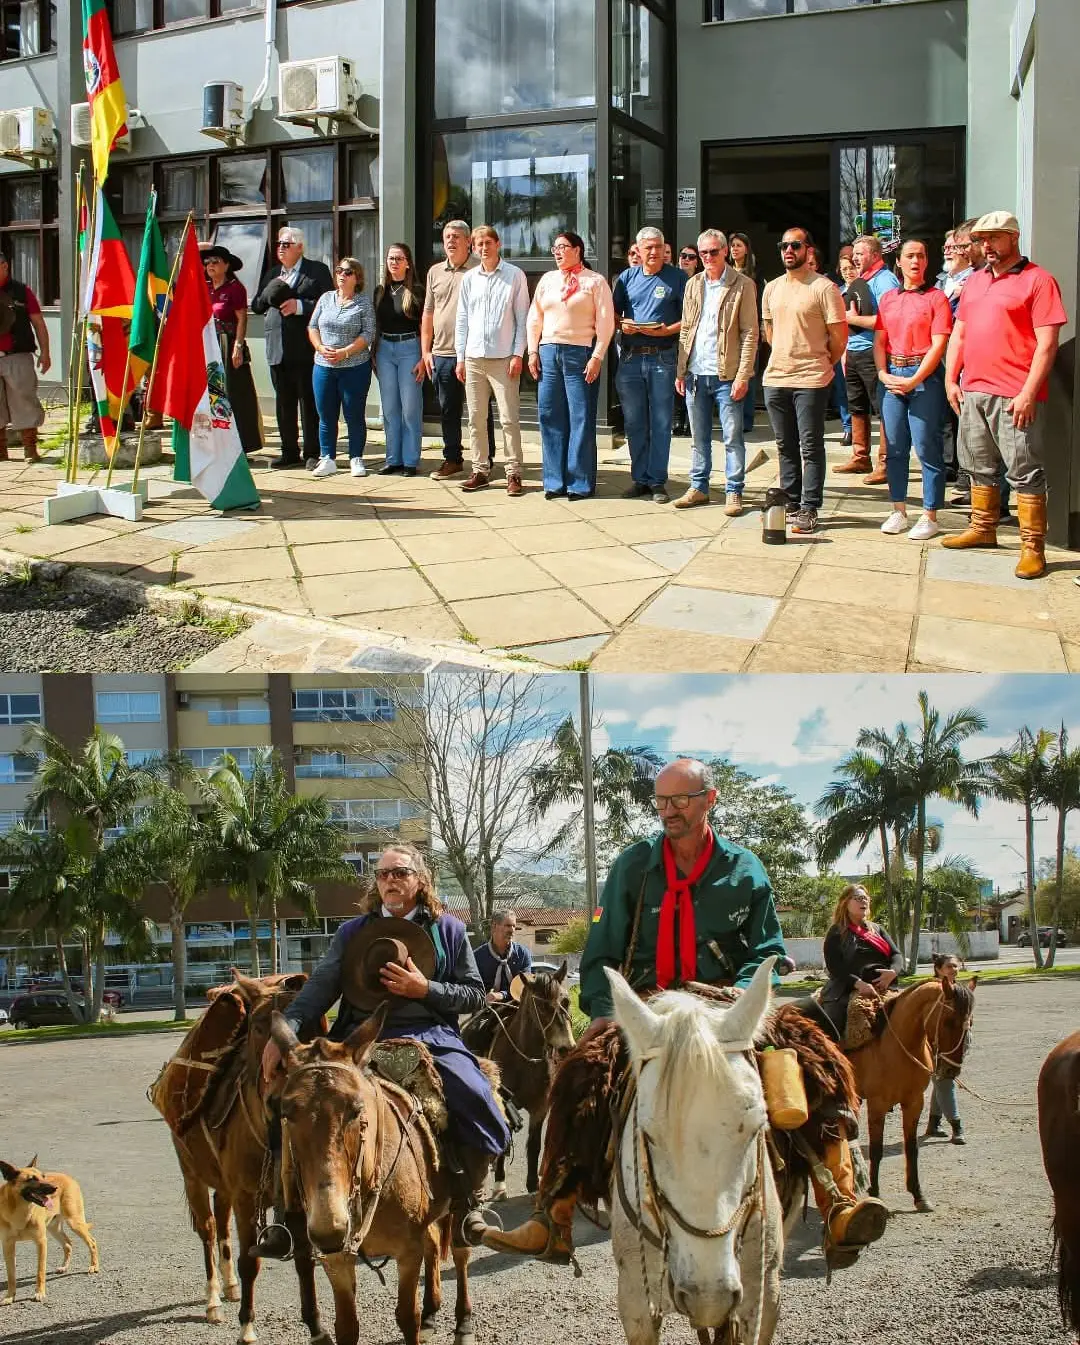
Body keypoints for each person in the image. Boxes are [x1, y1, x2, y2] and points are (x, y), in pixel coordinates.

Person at [481, 759, 888, 1272]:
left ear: (709, 800)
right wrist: (607, 1012)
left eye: (680, 800)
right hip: (651, 1006)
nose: (669, 811)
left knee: (814, 1059)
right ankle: (553, 1216)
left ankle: (840, 1202)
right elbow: (602, 952)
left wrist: (745, 998)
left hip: (725, 1002)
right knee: (578, 1075)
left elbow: (767, 947)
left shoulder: (746, 869)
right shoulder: (634, 865)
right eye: (661, 802)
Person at [259, 843, 510, 1250]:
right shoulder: (351, 932)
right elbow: (320, 987)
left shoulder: (449, 930)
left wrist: (423, 988)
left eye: (401, 872)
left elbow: (473, 995)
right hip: (356, 1038)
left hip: (429, 1034)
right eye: (383, 874)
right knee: (287, 1100)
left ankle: (467, 1203)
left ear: (421, 880)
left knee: (474, 1094)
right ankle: (284, 1216)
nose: (391, 880)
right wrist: (283, 1030)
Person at [942, 211, 1068, 579]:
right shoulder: (976, 281)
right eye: (982, 240)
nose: (987, 246)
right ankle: (983, 528)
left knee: (1025, 470)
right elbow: (959, 334)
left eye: (994, 238)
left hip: (1014, 394)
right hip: (974, 389)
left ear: (1013, 237)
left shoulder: (1039, 281)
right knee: (977, 463)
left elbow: (1047, 344)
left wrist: (1029, 391)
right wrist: (952, 379)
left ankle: (1033, 547)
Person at [761, 227, 848, 534]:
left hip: (811, 378)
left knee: (810, 447)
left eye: (794, 245)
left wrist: (820, 361)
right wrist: (786, 353)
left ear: (808, 250)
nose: (788, 250)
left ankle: (810, 507)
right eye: (783, 245)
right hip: (776, 377)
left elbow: (839, 338)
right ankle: (792, 502)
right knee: (785, 445)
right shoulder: (771, 288)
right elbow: (769, 331)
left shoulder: (824, 288)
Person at [673, 229, 758, 514]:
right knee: (698, 437)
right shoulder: (693, 284)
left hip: (727, 374)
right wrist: (680, 370)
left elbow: (749, 333)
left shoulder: (742, 284)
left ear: (724, 252)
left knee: (732, 437)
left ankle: (734, 490)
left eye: (713, 251)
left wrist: (743, 375)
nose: (708, 257)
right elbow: (686, 328)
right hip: (696, 374)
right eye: (703, 253)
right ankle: (699, 487)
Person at [874, 238, 953, 541]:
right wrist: (882, 373)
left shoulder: (936, 299)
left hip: (924, 376)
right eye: (910, 256)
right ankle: (898, 509)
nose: (916, 261)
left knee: (926, 446)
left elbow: (939, 344)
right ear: (900, 261)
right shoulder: (889, 299)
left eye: (921, 255)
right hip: (892, 374)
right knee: (894, 447)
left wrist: (915, 378)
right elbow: (880, 341)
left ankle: (930, 514)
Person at [526, 230, 615, 502]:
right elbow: (534, 318)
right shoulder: (547, 280)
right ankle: (554, 481)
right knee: (550, 415)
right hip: (549, 351)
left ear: (578, 249)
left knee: (581, 417)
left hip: (580, 352)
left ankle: (580, 482)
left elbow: (605, 322)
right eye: (554, 248)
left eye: (563, 247)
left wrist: (597, 356)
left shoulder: (595, 281)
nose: (558, 252)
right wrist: (532, 351)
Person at [612, 226, 686, 504]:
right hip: (631, 358)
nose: (653, 252)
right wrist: (624, 325)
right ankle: (639, 479)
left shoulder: (678, 277)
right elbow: (612, 315)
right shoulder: (626, 278)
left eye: (658, 247)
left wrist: (668, 331)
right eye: (648, 248)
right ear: (638, 250)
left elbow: (689, 318)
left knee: (661, 422)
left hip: (662, 357)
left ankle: (657, 481)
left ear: (664, 248)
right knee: (634, 423)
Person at [454, 225, 530, 496]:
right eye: (478, 243)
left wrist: (518, 354)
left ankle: (514, 473)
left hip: (504, 359)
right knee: (476, 418)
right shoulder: (470, 279)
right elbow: (462, 320)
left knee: (509, 419)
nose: (483, 247)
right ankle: (480, 470)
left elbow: (523, 320)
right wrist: (460, 357)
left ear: (498, 244)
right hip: (474, 359)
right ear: (473, 248)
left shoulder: (515, 276)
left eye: (488, 242)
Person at [252, 226, 334, 470]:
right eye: (278, 244)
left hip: (305, 348)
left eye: (286, 244)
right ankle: (289, 451)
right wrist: (269, 293)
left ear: (300, 247)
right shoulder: (273, 274)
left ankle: (312, 452)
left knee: (309, 402)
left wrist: (300, 306)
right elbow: (257, 305)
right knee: (283, 403)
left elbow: (329, 303)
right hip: (277, 349)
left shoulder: (316, 271)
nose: (280, 248)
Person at [422, 221, 495, 481]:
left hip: (474, 353)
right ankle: (452, 459)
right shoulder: (434, 272)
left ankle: (486, 459)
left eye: (456, 237)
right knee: (448, 410)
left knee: (479, 411)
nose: (450, 241)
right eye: (446, 237)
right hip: (441, 353)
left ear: (468, 242)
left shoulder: (479, 270)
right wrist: (426, 350)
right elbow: (428, 312)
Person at [795, 884, 904, 1043]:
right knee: (834, 1028)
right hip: (845, 989)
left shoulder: (877, 929)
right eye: (858, 898)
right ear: (845, 903)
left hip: (884, 986)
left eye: (866, 898)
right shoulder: (837, 931)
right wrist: (858, 983)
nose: (864, 901)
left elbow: (896, 954)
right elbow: (835, 967)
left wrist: (893, 972)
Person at [833, 234, 900, 482]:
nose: (855, 258)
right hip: (853, 351)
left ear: (874, 255)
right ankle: (861, 457)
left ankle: (885, 463)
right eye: (854, 254)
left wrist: (853, 320)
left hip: (875, 353)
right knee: (856, 406)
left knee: (883, 409)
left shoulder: (886, 281)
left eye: (860, 254)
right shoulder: (860, 280)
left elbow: (889, 321)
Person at [306, 257, 376, 478]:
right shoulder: (326, 298)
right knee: (326, 414)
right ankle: (328, 458)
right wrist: (319, 347)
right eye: (339, 271)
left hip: (354, 367)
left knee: (353, 414)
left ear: (357, 278)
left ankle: (356, 457)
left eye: (348, 272)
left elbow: (368, 333)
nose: (342, 275)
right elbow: (313, 325)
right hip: (323, 366)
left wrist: (345, 352)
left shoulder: (363, 302)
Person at [200, 243, 262, 455]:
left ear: (226, 265)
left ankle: (241, 444)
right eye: (207, 262)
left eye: (216, 261)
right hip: (208, 342)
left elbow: (242, 318)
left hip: (227, 342)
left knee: (234, 392)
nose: (210, 265)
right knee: (210, 393)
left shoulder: (235, 288)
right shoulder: (204, 287)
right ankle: (214, 441)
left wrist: (238, 345)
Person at [373, 242, 425, 477]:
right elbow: (376, 324)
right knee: (390, 408)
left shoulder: (416, 290)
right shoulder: (380, 291)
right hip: (385, 349)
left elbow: (426, 326)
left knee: (410, 409)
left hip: (409, 349)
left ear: (407, 263)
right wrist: (373, 353)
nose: (393, 262)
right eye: (390, 258)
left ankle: (411, 461)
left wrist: (424, 357)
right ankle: (393, 459)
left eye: (398, 258)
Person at [0, 250, 49, 462]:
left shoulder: (22, 291)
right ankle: (0, 452)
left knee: (25, 400)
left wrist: (45, 352)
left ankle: (30, 449)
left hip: (18, 354)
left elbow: (38, 322)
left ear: (4, 266)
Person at [924, 954, 967, 1145]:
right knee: (944, 1081)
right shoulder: (932, 992)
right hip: (935, 1046)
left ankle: (934, 1123)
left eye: (955, 966)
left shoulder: (961, 991)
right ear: (938, 969)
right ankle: (957, 1127)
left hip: (956, 1045)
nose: (953, 970)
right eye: (949, 967)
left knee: (941, 1082)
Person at [729, 231, 760, 435]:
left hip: (749, 328)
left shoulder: (756, 274)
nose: (734, 249)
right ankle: (732, 418)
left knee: (747, 373)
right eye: (732, 246)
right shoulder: (725, 272)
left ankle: (747, 419)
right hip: (729, 331)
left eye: (738, 245)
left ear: (746, 249)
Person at [672, 244, 702, 436]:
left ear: (696, 262)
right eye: (683, 256)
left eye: (691, 257)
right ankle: (677, 420)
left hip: (696, 338)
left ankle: (692, 422)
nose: (686, 260)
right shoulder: (673, 279)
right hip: (675, 336)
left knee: (694, 380)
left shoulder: (701, 282)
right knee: (678, 378)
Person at [473, 910, 533, 1004]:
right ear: (494, 927)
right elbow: (473, 987)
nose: (512, 930)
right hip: (486, 1011)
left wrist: (501, 995)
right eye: (508, 926)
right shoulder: (477, 956)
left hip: (518, 1009)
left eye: (514, 926)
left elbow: (523, 987)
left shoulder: (523, 954)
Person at [834, 254, 858, 446]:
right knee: (843, 391)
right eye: (844, 269)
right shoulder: (837, 292)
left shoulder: (864, 290)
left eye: (851, 267)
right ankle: (848, 428)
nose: (849, 272)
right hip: (841, 346)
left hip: (862, 347)